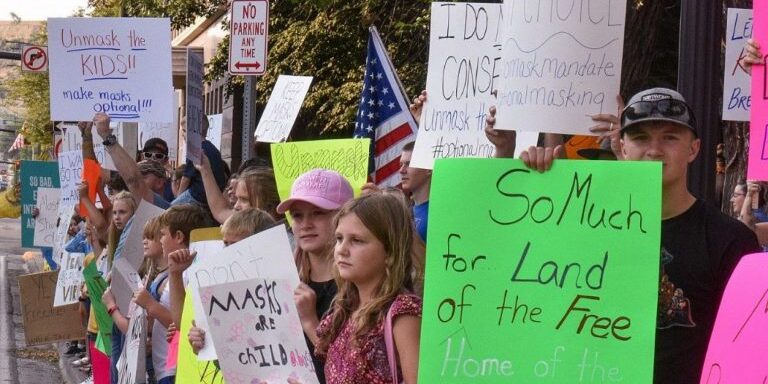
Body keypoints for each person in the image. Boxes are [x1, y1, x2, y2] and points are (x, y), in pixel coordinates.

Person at [487, 87, 761, 384]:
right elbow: (507, 256)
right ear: (623, 147)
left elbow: (749, 346)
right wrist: (514, 162)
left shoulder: (731, 241)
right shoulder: (580, 227)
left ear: (693, 149)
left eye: (669, 137)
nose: (654, 150)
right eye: (641, 138)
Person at [292, 192, 423, 384]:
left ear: (390, 251)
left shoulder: (402, 312)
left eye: (357, 240)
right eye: (338, 238)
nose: (342, 250)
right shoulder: (345, 307)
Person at [275, 169, 354, 383]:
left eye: (318, 213)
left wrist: (310, 322)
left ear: (344, 217)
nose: (306, 224)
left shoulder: (359, 286)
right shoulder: (282, 280)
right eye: (297, 215)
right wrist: (209, 342)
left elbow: (352, 371)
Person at [140, 137, 175, 202]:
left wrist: (173, 174)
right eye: (148, 155)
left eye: (158, 156)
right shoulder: (135, 179)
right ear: (142, 157)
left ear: (166, 160)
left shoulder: (172, 186)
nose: (152, 159)